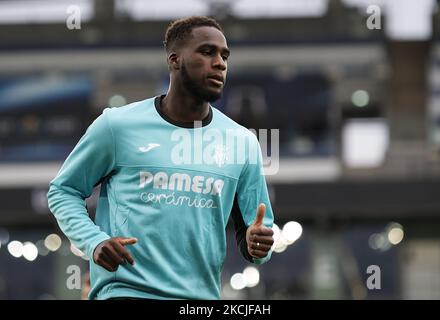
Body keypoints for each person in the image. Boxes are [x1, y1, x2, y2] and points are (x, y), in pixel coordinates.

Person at [47, 16, 275, 300]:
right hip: (126, 294)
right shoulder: (117, 126)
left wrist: (259, 243)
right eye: (207, 52)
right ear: (174, 59)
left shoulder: (242, 142)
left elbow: (257, 230)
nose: (220, 63)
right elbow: (62, 191)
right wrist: (95, 241)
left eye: (224, 55)